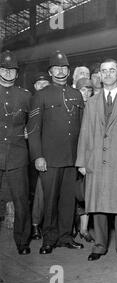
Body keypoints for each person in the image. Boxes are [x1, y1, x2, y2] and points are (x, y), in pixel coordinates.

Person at [76, 58, 117, 262]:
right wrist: (82, 162)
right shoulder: (92, 102)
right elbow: (85, 133)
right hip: (96, 160)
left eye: (112, 70)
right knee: (98, 205)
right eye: (104, 71)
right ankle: (99, 245)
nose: (107, 74)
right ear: (99, 75)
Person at [27, 50, 84, 254]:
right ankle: (49, 239)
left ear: (68, 71)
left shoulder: (76, 94)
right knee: (50, 201)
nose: (60, 72)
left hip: (71, 158)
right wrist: (37, 156)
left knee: (68, 200)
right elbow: (33, 130)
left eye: (64, 68)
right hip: (49, 159)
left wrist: (82, 157)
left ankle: (65, 236)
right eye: (56, 68)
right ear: (50, 72)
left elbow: (82, 128)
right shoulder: (40, 96)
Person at [0, 50, 32, 255]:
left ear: (17, 73)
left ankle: (22, 241)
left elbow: (35, 124)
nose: (8, 73)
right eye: (4, 69)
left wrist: (28, 132)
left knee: (21, 200)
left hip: (18, 155)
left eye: (12, 70)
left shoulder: (26, 96)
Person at [30, 72, 51, 240]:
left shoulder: (50, 100)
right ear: (34, 86)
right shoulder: (30, 100)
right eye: (39, 84)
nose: (43, 86)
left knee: (44, 191)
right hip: (33, 154)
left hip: (49, 152)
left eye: (46, 84)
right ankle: (35, 224)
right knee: (39, 191)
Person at [74, 77, 94, 243]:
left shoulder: (93, 107)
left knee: (85, 193)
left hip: (87, 156)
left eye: (89, 90)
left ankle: (84, 228)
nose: (86, 93)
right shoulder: (73, 107)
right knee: (71, 193)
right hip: (72, 154)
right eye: (83, 90)